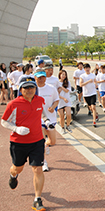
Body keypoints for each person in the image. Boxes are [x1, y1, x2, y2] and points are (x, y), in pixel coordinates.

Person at [1, 76, 47, 211]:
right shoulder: (13, 104)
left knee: (38, 169)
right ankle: (13, 175)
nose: (29, 90)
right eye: (26, 88)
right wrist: (16, 129)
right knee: (17, 168)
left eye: (32, 87)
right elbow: (3, 121)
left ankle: (37, 199)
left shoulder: (40, 100)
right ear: (21, 89)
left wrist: (47, 121)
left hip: (37, 141)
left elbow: (42, 112)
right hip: (18, 143)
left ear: (35, 88)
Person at [34, 68, 59, 173]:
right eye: (39, 77)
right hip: (38, 119)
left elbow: (56, 100)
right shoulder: (33, 90)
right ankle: (44, 162)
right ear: (35, 78)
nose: (41, 79)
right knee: (41, 140)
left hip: (51, 117)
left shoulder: (51, 88)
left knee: (52, 141)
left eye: (43, 77)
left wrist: (53, 107)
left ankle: (46, 145)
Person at [79, 63, 98, 127]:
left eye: (88, 68)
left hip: (93, 93)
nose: (87, 69)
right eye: (86, 68)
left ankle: (94, 121)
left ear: (90, 68)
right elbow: (81, 84)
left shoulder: (93, 75)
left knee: (93, 107)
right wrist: (88, 81)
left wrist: (96, 84)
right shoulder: (82, 76)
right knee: (90, 108)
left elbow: (95, 81)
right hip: (86, 94)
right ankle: (96, 114)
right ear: (84, 69)